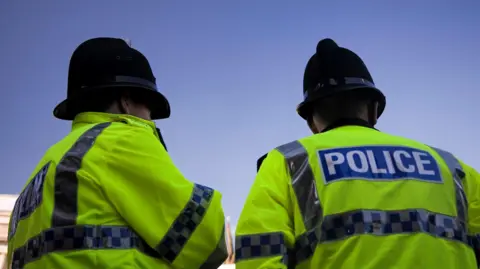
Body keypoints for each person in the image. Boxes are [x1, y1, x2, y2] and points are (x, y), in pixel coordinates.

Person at [235, 38, 480, 269]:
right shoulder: (453, 168)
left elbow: (258, 255)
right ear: (374, 110)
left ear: (311, 122)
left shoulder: (287, 162)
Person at [7, 37, 228, 269]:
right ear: (126, 102)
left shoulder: (43, 172)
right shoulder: (118, 140)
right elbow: (208, 242)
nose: (150, 119)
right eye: (150, 109)